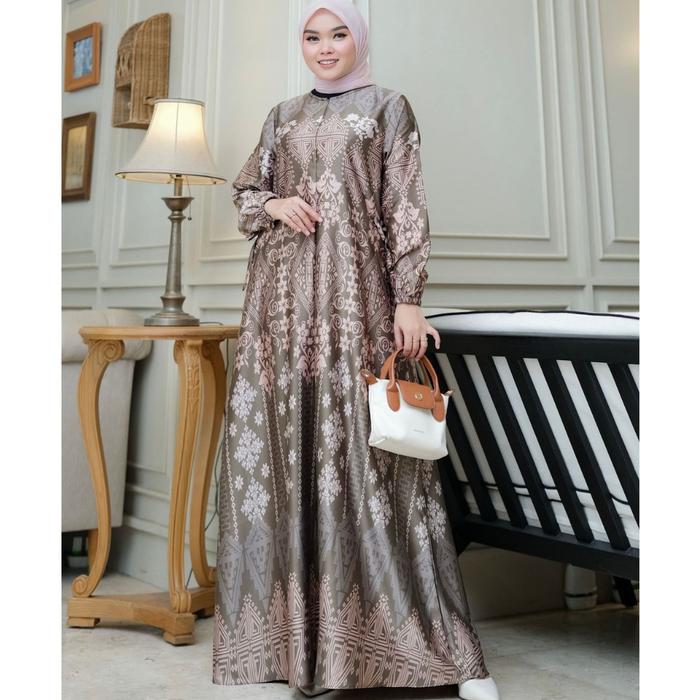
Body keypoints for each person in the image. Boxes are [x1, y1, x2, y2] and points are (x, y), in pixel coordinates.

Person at [213, 2, 500, 699]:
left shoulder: (388, 109)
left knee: (371, 461)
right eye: (312, 36)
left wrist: (408, 297)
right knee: (290, 456)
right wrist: (273, 206)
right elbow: (246, 192)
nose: (325, 47)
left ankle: (429, 650)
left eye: (338, 33)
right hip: (281, 311)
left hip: (356, 303)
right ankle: (297, 645)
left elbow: (404, 204)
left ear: (359, 39)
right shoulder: (280, 117)